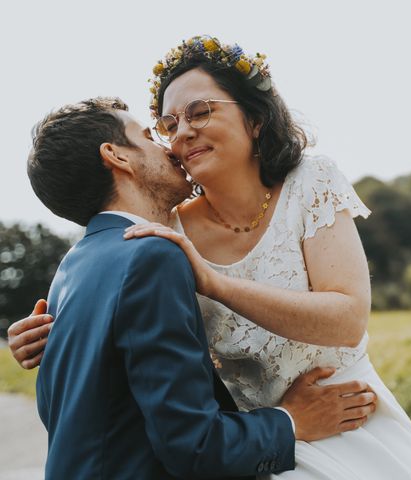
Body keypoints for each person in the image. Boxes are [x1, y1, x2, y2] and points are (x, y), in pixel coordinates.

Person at [11, 35, 411, 478]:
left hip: (345, 411)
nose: (178, 135)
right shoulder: (161, 238)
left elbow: (349, 318)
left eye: (199, 111)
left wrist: (218, 285)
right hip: (256, 442)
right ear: (117, 157)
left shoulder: (310, 183)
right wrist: (60, 336)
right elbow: (124, 318)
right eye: (164, 126)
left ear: (255, 118)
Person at [22, 96, 376, 479]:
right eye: (147, 136)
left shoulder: (71, 268)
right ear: (117, 156)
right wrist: (291, 420)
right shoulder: (152, 255)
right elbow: (194, 447)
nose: (170, 147)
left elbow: (78, 412)